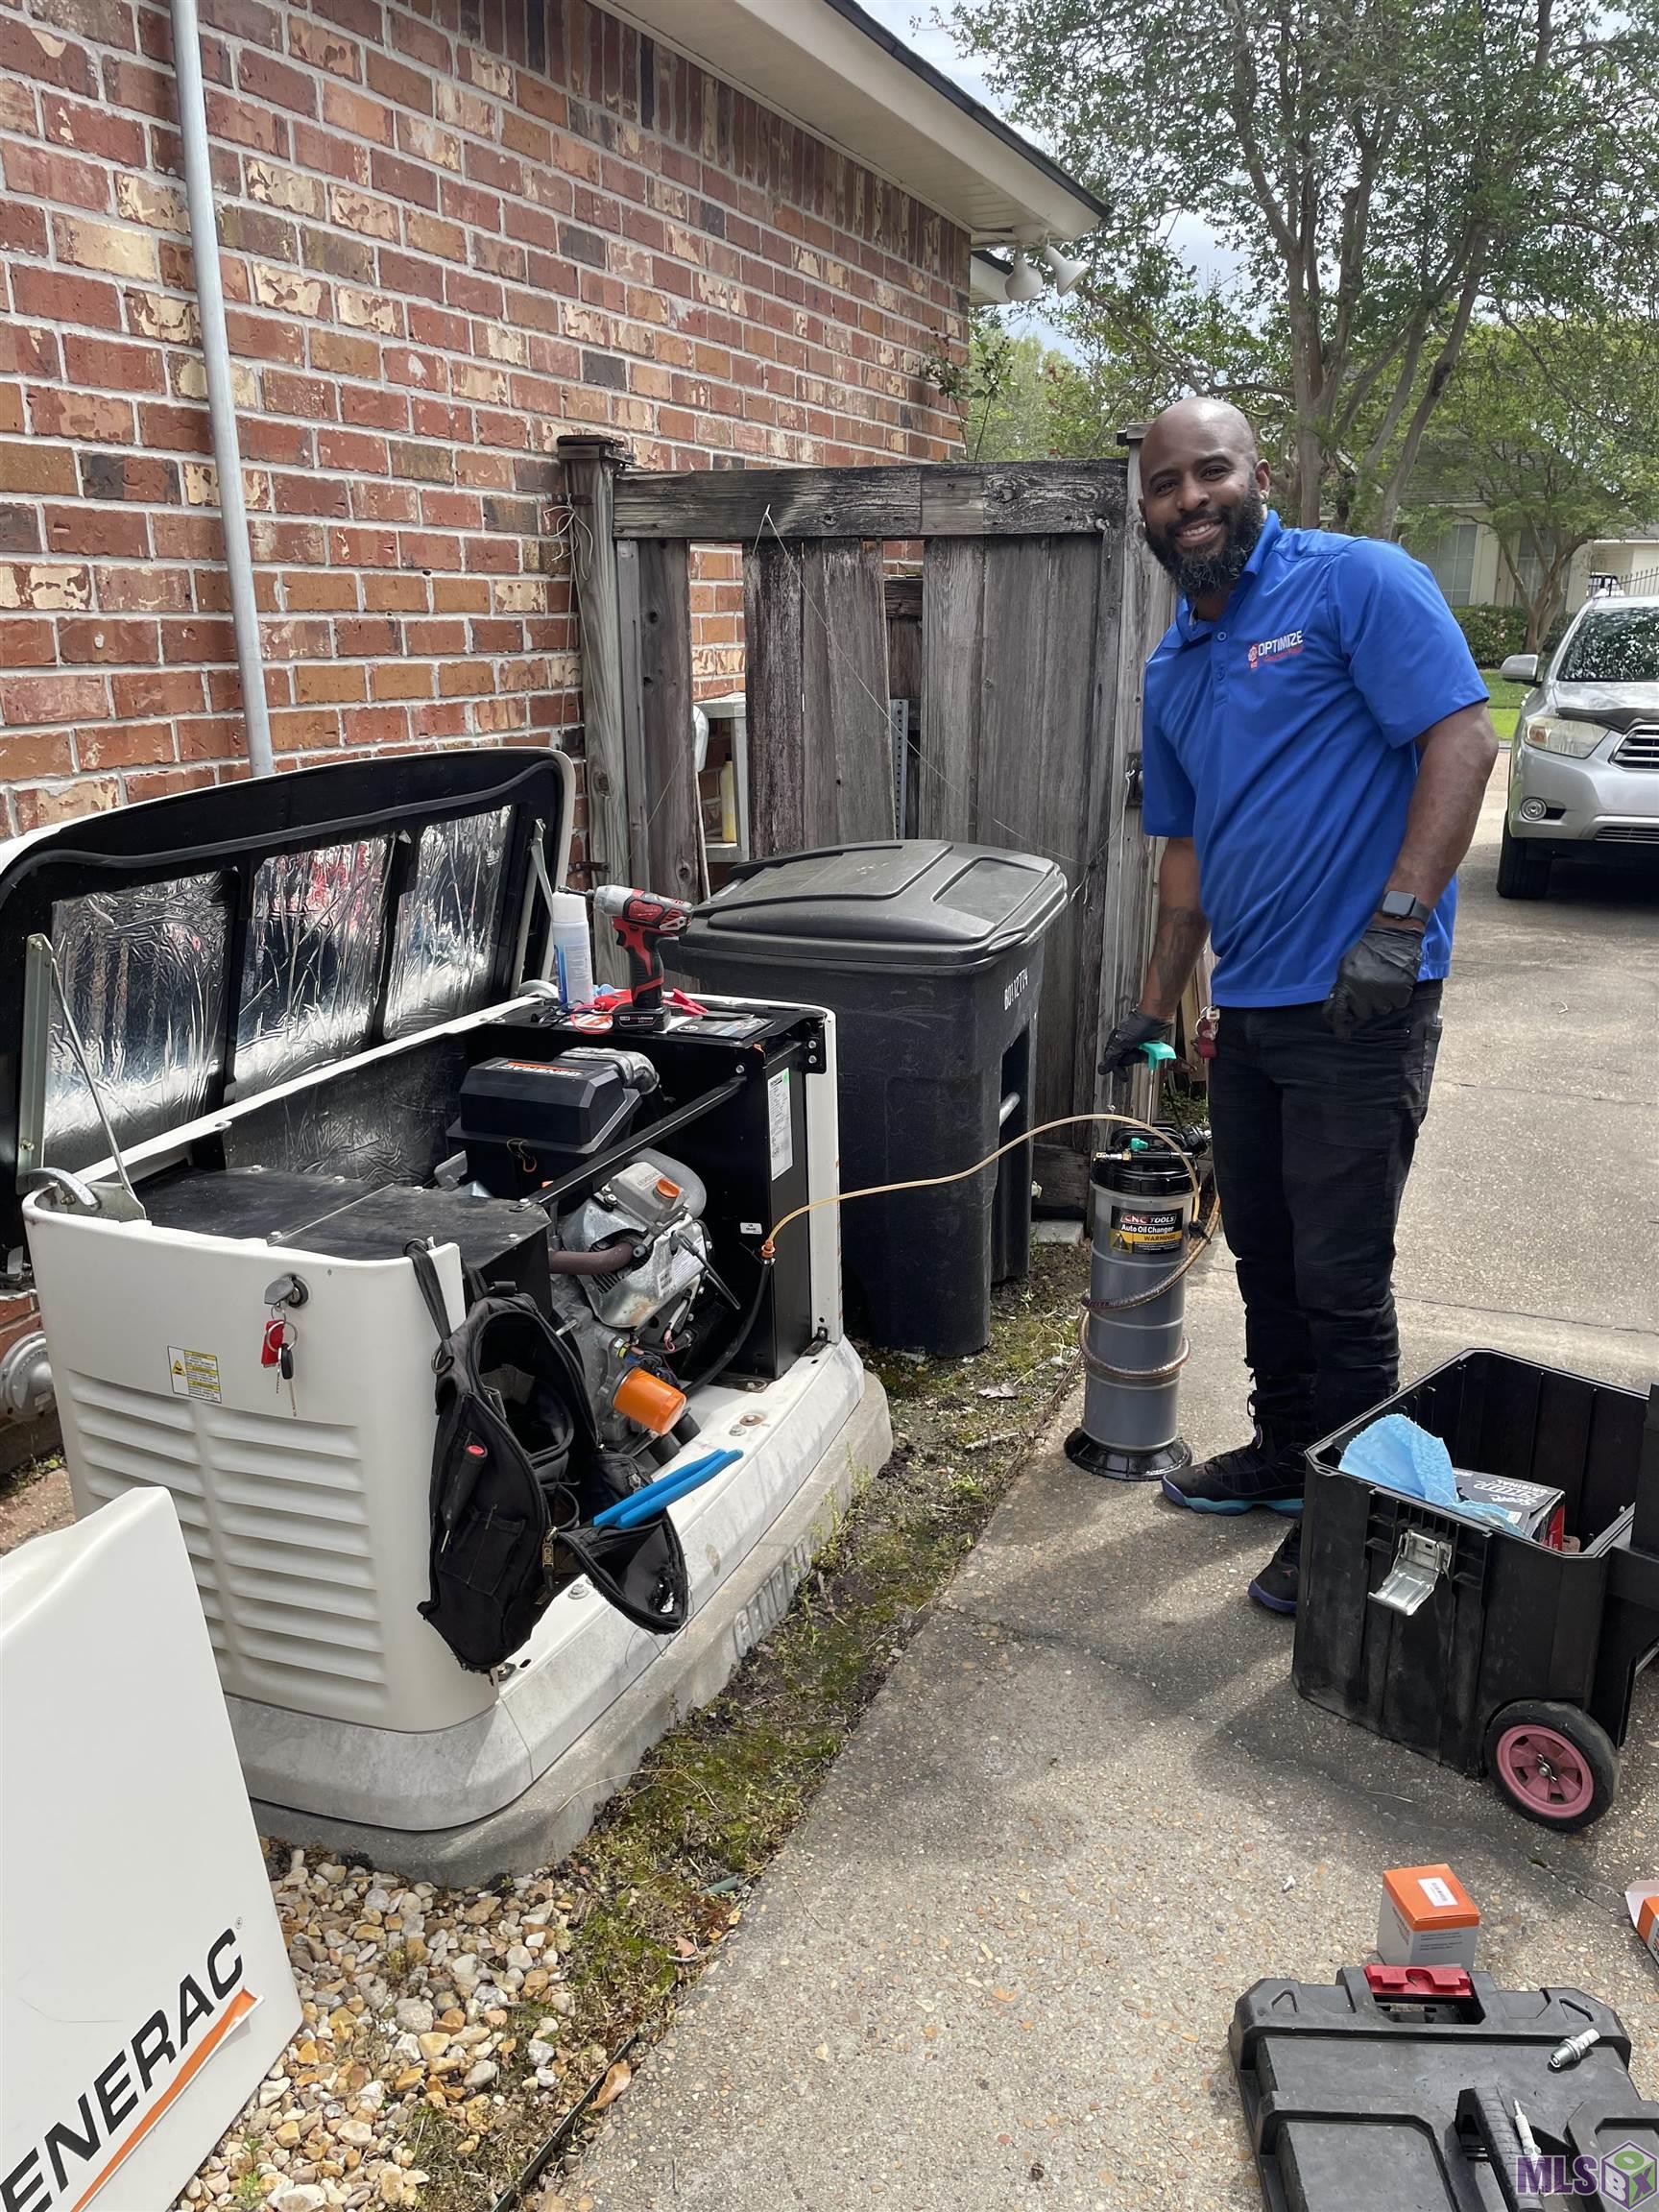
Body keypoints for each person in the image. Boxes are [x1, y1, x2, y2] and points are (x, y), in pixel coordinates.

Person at [1098, 397, 1499, 1616]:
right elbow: (1185, 854)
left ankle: (1352, 1526)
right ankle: (1288, 1455)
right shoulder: (1175, 660)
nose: (1188, 499)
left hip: (1361, 1004)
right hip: (1253, 1013)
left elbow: (1464, 741)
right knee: (1265, 1256)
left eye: (1209, 472)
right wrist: (1153, 1004)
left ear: (1257, 476)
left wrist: (1398, 925)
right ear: (1145, 510)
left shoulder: (1353, 582)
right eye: (1164, 485)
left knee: (1340, 1275)